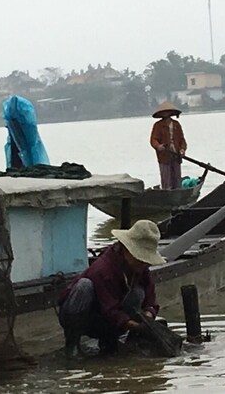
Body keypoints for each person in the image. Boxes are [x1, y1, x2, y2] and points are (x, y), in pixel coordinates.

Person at [58, 220, 166, 357]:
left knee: (138, 293)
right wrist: (131, 324)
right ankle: (72, 345)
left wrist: (148, 314)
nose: (143, 263)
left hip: (111, 319)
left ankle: (109, 341)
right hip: (89, 315)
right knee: (84, 286)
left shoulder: (140, 268)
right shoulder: (103, 269)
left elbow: (150, 297)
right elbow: (109, 308)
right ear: (127, 250)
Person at [149, 101, 187, 189]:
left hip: (176, 155)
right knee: (166, 178)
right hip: (164, 155)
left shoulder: (176, 125)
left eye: (168, 111)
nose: (166, 113)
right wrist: (158, 146)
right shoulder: (158, 125)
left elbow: (182, 140)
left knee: (177, 177)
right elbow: (153, 139)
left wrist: (182, 149)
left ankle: (178, 192)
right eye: (164, 112)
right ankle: (167, 192)